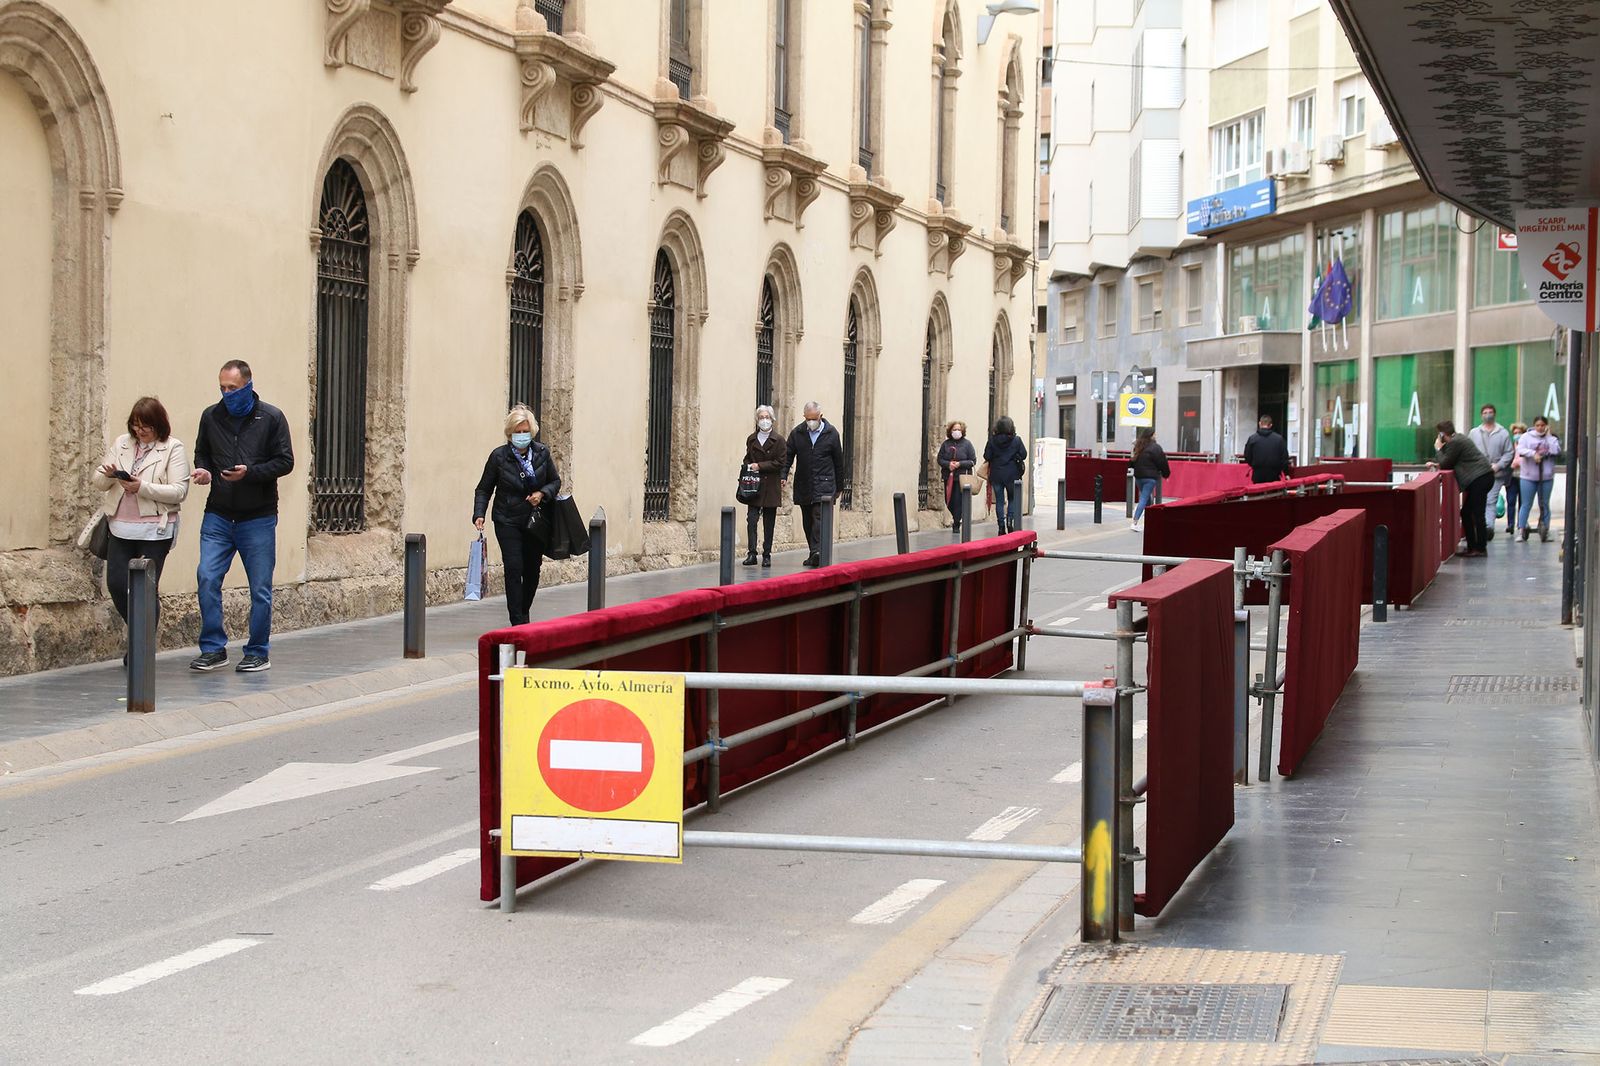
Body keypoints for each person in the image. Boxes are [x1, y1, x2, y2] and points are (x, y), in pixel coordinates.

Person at [190, 360, 294, 673]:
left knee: (260, 589)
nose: (227, 394)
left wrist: (250, 473)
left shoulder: (271, 417)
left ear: (248, 385)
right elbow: (202, 452)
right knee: (207, 577)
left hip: (258, 517)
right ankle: (213, 648)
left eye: (232, 388)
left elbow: (285, 461)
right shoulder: (211, 416)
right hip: (219, 514)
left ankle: (258, 651)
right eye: (222, 388)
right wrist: (204, 470)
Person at [92, 397, 190, 661]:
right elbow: (98, 481)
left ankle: (141, 649)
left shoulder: (172, 448)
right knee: (116, 583)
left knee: (146, 589)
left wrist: (142, 487)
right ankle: (140, 637)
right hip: (120, 527)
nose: (140, 431)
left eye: (145, 426)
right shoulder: (122, 444)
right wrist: (109, 475)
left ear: (158, 425)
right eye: (135, 425)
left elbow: (179, 491)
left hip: (154, 530)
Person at [474, 405, 561, 625]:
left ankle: (523, 612)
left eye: (525, 431)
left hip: (535, 521)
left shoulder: (542, 453)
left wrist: (542, 493)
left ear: (532, 432)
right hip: (507, 519)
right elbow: (484, 488)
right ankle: (518, 623)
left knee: (532, 570)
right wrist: (479, 513)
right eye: (517, 432)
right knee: (514, 568)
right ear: (510, 433)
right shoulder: (498, 457)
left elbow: (555, 481)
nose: (521, 436)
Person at [783, 401, 844, 567]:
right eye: (808, 419)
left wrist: (839, 486)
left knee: (819, 517)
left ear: (820, 416)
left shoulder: (831, 434)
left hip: (825, 484)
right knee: (807, 520)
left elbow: (838, 461)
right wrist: (783, 475)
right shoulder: (797, 433)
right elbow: (788, 456)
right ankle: (813, 552)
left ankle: (818, 551)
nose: (811, 422)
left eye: (814, 419)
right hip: (804, 483)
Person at [1430, 420, 1494, 557]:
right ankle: (1474, 547)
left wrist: (1438, 448)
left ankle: (1479, 548)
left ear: (1442, 434)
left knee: (1476, 513)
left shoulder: (1455, 442)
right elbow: (1450, 458)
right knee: (1467, 512)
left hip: (1480, 478)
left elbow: (1446, 463)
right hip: (1482, 477)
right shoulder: (1458, 439)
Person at [741, 404, 787, 568]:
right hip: (754, 485)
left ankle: (766, 554)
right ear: (757, 420)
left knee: (769, 522)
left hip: (771, 486)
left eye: (767, 417)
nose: (764, 420)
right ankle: (752, 553)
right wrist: (747, 466)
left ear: (772, 419)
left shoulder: (779, 440)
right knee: (752, 520)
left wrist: (759, 466)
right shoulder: (752, 439)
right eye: (761, 417)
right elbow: (747, 457)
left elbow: (780, 462)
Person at [1468, 403, 1512, 541]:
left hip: (1496, 474)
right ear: (1481, 415)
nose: (1488, 415)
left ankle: (1489, 527)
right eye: (1485, 412)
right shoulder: (1474, 433)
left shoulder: (1503, 433)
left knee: (1491, 500)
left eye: (1490, 412)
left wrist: (1498, 465)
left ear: (1495, 414)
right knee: (1479, 500)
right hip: (1478, 473)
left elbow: (1509, 453)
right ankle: (1481, 526)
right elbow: (1469, 451)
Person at [1514, 415, 1561, 542]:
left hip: (1546, 476)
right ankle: (1521, 529)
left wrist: (1548, 436)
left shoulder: (1552, 438)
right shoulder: (1526, 437)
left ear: (1546, 426)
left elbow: (1556, 450)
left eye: (1542, 425)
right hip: (1528, 476)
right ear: (1534, 426)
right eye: (1537, 425)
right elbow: (1520, 449)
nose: (1540, 428)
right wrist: (1533, 454)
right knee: (1526, 504)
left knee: (1544, 503)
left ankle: (1546, 528)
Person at [982, 416, 1028, 535]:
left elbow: (987, 456)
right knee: (1012, 498)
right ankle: (1010, 521)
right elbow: (1024, 454)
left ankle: (1001, 526)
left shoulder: (992, 440)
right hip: (1012, 474)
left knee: (999, 501)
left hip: (997, 474)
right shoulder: (1016, 440)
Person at [1129, 428, 1170, 533]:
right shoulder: (1155, 448)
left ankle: (1149, 521)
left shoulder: (1139, 446)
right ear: (1151, 435)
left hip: (1138, 476)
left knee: (1147, 499)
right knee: (1144, 498)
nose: (1156, 436)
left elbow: (1133, 460)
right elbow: (1162, 462)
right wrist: (1166, 474)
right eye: (1154, 434)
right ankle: (1134, 522)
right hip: (1150, 477)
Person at [937, 420, 978, 522]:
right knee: (949, 501)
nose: (956, 431)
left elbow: (972, 461)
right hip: (949, 477)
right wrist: (948, 464)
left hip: (962, 478)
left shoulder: (967, 444)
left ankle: (956, 522)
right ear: (950, 431)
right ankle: (956, 517)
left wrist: (960, 464)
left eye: (959, 429)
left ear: (962, 431)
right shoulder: (946, 444)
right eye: (954, 429)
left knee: (958, 501)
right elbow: (940, 459)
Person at [1242, 414, 1291, 484]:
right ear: (1271, 425)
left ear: (1259, 424)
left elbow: (1247, 456)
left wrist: (1253, 465)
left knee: (1258, 490)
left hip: (1257, 474)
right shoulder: (1279, 439)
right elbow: (1284, 458)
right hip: (1274, 474)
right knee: (1273, 490)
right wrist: (1286, 473)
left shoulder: (1252, 439)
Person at [1505, 421, 1527, 536]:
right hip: (1512, 477)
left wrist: (1518, 462)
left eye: (1519, 432)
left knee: (1523, 502)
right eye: (1515, 433)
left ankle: (1521, 524)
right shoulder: (1510, 446)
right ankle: (1510, 524)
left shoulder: (1527, 445)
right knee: (1511, 501)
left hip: (1524, 476)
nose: (1517, 435)